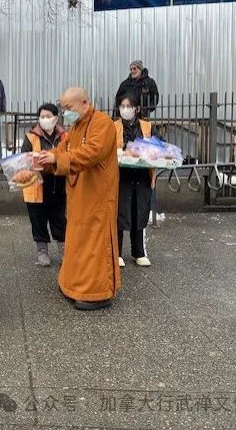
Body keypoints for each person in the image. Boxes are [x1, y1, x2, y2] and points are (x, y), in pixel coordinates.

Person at [38, 87, 120, 311]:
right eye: (63, 109)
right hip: (78, 197)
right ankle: (73, 286)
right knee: (76, 242)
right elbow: (62, 150)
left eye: (68, 108)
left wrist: (58, 158)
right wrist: (45, 158)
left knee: (95, 245)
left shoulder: (102, 124)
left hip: (97, 197)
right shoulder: (76, 128)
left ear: (85, 103)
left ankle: (97, 293)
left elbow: (91, 153)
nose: (65, 114)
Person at [21, 103, 67, 267]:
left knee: (60, 220)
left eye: (48, 116)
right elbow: (23, 158)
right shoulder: (31, 136)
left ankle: (64, 251)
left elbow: (69, 156)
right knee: (38, 219)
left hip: (59, 186)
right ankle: (42, 252)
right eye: (42, 116)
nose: (45, 120)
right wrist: (33, 160)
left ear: (55, 118)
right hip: (37, 185)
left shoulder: (64, 136)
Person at [115, 94, 157, 268]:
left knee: (139, 211)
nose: (125, 109)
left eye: (129, 106)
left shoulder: (147, 126)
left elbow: (157, 146)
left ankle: (138, 252)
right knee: (119, 212)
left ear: (137, 108)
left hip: (141, 175)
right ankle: (116, 253)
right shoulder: (113, 126)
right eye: (122, 106)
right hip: (121, 174)